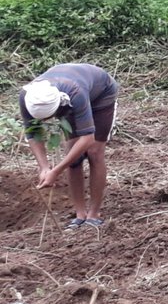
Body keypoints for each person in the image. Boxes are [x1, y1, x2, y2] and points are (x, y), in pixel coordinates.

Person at [18, 63, 120, 229]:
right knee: (74, 156)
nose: (45, 122)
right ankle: (80, 214)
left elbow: (87, 139)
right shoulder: (27, 96)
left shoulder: (74, 94)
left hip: (101, 93)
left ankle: (93, 214)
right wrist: (44, 167)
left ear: (58, 106)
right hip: (74, 87)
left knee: (94, 151)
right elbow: (33, 133)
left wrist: (56, 171)